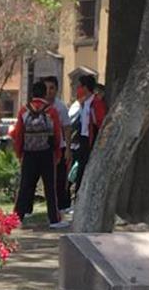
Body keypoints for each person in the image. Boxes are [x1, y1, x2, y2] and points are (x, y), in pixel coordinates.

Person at [10, 80, 67, 229]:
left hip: (29, 153)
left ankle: (17, 217)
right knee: (50, 187)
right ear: (44, 93)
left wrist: (19, 152)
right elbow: (57, 134)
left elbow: (18, 134)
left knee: (25, 186)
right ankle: (54, 219)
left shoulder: (24, 110)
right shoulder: (51, 111)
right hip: (46, 153)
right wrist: (57, 153)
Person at [43, 76, 73, 213]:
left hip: (58, 147)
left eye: (52, 88)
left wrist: (68, 149)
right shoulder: (37, 105)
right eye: (46, 88)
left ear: (56, 90)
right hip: (41, 148)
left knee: (60, 178)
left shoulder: (60, 107)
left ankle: (62, 205)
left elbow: (67, 128)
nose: (49, 91)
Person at [72, 75, 106, 193]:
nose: (78, 89)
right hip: (82, 139)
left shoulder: (95, 103)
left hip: (91, 140)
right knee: (80, 168)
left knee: (84, 167)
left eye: (80, 86)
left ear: (85, 88)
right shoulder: (83, 103)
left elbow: (100, 122)